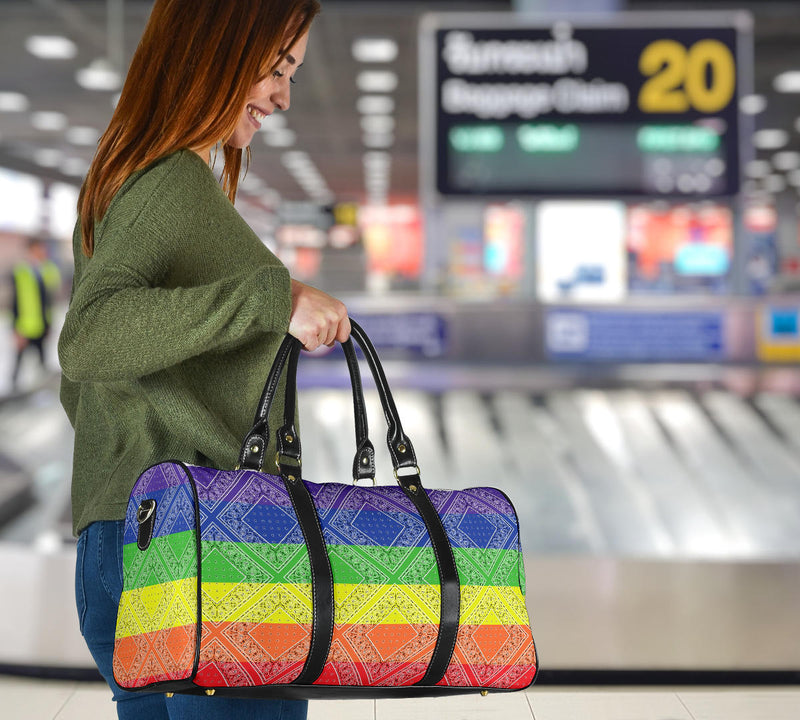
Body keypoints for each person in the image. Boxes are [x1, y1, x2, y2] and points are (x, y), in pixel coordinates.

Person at [57, 2, 349, 718]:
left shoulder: (125, 178)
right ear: (216, 47)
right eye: (277, 68)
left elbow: (93, 381)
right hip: (211, 545)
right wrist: (270, 301)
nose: (282, 94)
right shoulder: (168, 183)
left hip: (133, 533)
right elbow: (89, 336)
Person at [10, 237, 61, 389]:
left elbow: (51, 294)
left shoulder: (46, 269)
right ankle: (13, 394)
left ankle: (40, 391)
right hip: (24, 327)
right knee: (18, 364)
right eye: (39, 248)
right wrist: (16, 329)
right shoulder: (20, 272)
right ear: (31, 250)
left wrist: (49, 324)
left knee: (42, 363)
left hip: (42, 324)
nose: (43, 252)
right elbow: (15, 302)